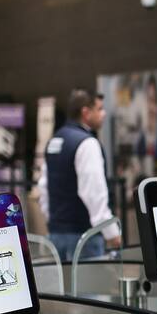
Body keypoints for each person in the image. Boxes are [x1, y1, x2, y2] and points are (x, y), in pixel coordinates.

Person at [38, 88, 120, 260]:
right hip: (84, 237)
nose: (103, 114)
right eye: (99, 109)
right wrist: (111, 232)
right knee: (87, 286)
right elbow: (93, 193)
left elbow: (44, 187)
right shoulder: (87, 143)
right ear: (86, 112)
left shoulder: (54, 140)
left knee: (60, 286)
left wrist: (54, 220)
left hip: (55, 235)